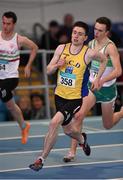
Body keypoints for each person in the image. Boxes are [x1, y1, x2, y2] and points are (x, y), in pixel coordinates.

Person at [29, 21, 108, 171]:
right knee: (68, 130)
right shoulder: (61, 48)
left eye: (80, 34)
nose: (76, 36)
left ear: (85, 38)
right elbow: (48, 70)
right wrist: (57, 65)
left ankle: (41, 159)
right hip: (59, 96)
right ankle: (82, 139)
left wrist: (98, 78)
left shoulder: (88, 53)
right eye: (74, 33)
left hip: (74, 99)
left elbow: (104, 59)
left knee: (54, 123)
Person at [63, 17, 123, 163]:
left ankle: (121, 113)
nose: (96, 32)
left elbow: (118, 70)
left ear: (107, 32)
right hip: (91, 88)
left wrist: (102, 80)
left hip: (107, 90)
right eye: (95, 29)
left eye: (100, 30)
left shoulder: (110, 47)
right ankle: (72, 151)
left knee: (107, 125)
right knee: (79, 115)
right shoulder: (90, 43)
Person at [0, 11, 38, 144]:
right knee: (10, 106)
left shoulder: (19, 39)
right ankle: (24, 126)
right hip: (0, 78)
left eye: (8, 24)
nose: (5, 26)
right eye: (3, 23)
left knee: (2, 91)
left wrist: (28, 66)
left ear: (14, 24)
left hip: (11, 77)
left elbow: (34, 48)